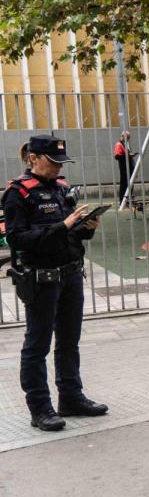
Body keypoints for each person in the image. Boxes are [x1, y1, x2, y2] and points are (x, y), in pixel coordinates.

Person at [2, 136, 106, 432]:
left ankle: (71, 398)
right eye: (53, 161)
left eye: (62, 162)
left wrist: (85, 228)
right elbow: (16, 239)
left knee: (69, 342)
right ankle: (40, 408)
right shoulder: (17, 193)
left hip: (71, 274)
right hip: (41, 279)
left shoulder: (61, 189)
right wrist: (63, 226)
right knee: (37, 346)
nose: (58, 168)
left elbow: (71, 237)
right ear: (33, 158)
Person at [113, 130, 136, 204]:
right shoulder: (119, 144)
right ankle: (123, 201)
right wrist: (129, 155)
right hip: (124, 168)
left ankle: (127, 200)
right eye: (128, 137)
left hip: (128, 168)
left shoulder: (124, 144)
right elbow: (117, 156)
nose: (128, 139)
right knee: (124, 185)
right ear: (123, 136)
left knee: (129, 184)